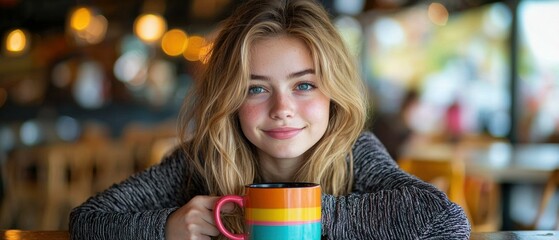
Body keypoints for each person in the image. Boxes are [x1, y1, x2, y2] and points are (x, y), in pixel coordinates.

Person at [69, 0, 471, 239]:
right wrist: (167, 228)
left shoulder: (354, 153)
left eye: (304, 86)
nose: (282, 108)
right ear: (230, 97)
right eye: (255, 88)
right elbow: (87, 223)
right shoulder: (203, 160)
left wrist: (303, 213)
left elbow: (447, 222)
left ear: (333, 93)